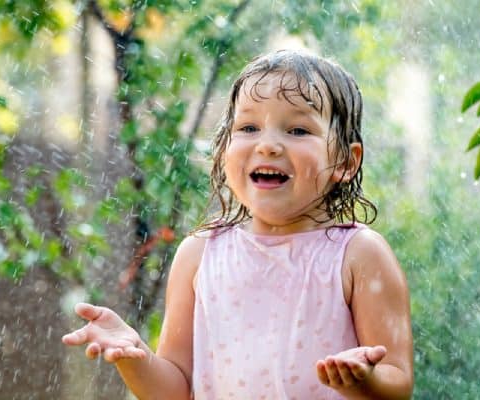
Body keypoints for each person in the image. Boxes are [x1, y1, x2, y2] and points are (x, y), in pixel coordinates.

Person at [62, 49, 413, 399]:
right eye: (248, 127)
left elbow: (397, 381)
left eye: (297, 129)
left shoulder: (358, 255)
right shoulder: (199, 255)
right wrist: (134, 355)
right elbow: (175, 390)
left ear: (345, 162)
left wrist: (364, 381)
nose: (268, 145)